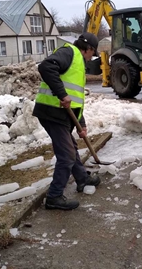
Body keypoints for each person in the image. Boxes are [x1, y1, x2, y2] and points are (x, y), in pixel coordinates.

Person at [33, 33, 101, 210]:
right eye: (92, 54)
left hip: (62, 114)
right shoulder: (69, 52)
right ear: (89, 49)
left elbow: (76, 98)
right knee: (67, 156)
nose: (90, 58)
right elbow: (46, 67)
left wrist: (82, 123)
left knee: (70, 148)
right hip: (52, 112)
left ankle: (82, 179)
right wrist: (61, 94)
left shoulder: (77, 61)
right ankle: (54, 197)